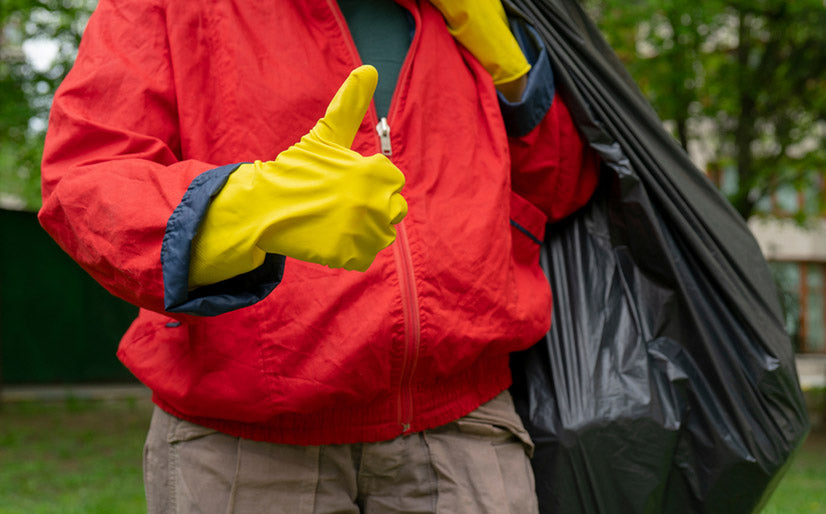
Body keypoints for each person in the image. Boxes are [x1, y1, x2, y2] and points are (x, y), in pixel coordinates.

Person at [39, 0, 599, 512]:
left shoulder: (484, 13)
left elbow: (560, 187)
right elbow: (86, 179)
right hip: (245, 448)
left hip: (465, 431)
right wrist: (241, 209)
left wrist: (515, 73)